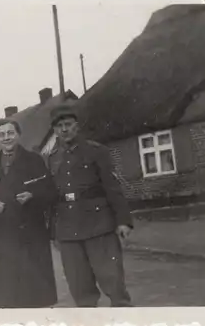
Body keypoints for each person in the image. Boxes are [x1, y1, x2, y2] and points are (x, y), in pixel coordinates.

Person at [46, 104, 134, 308]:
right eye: (59, 127)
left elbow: (113, 187)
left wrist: (123, 221)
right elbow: (51, 196)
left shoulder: (96, 151)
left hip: (99, 226)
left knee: (114, 286)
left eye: (68, 124)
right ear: (55, 130)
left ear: (77, 126)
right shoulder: (52, 158)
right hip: (68, 230)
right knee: (81, 291)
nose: (64, 130)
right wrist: (53, 231)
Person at [0, 118, 58, 308]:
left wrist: (33, 195)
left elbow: (50, 191)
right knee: (8, 289)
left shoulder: (34, 160)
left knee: (35, 289)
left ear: (18, 135)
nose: (6, 138)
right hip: (4, 234)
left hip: (31, 232)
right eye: (2, 134)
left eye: (10, 133)